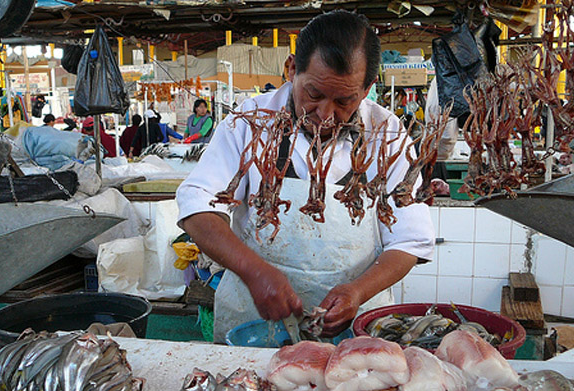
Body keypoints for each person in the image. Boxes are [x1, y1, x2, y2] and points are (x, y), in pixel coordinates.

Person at [176, 10, 434, 343]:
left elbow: (410, 239)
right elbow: (198, 207)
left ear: (368, 87)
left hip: (353, 327)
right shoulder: (248, 122)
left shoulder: (387, 135)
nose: (326, 115)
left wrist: (357, 292)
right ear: (292, 68)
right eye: (313, 95)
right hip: (253, 322)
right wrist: (254, 271)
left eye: (344, 100)